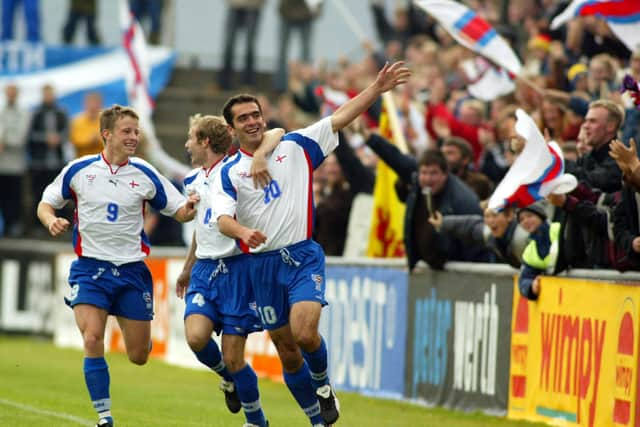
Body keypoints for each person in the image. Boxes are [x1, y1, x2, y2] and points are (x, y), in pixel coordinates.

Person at [215, 61, 411, 426]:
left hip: (302, 255)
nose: (253, 121)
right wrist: (242, 233)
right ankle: (317, 421)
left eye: (256, 114)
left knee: (306, 333)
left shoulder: (296, 145)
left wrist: (376, 88)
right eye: (243, 118)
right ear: (232, 128)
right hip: (262, 265)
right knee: (288, 354)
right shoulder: (229, 172)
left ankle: (322, 384)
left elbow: (339, 118)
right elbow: (222, 219)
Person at [36, 105, 198, 427]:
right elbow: (45, 202)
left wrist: (191, 206)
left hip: (132, 272)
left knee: (139, 355)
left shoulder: (145, 173)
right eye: (127, 131)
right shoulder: (79, 170)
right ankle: (104, 415)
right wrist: (51, 220)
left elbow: (179, 209)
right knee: (93, 337)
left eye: (136, 132)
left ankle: (138, 330)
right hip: (90, 269)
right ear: (106, 134)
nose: (133, 137)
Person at [176, 114, 283, 427]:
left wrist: (262, 153)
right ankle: (227, 378)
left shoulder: (238, 169)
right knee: (196, 338)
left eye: (191, 138)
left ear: (206, 142)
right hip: (204, 270)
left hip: (238, 271)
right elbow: (202, 227)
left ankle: (256, 420)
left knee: (236, 357)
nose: (186, 144)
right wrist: (187, 267)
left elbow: (276, 132)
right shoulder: (191, 180)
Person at [0, 83, 30, 237]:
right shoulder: (1, 110)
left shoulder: (23, 112)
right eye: (8, 92)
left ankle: (13, 228)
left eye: (13, 92)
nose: (11, 95)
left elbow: (20, 137)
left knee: (14, 198)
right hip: (1, 164)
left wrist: (4, 142)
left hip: (15, 165)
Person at [273, 0, 321, 93]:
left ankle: (306, 87)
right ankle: (280, 88)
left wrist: (317, 8)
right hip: (288, 11)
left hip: (305, 13)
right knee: (283, 52)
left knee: (305, 54)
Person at [218, 0, 265, 90]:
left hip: (254, 5)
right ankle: (223, 82)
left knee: (249, 46)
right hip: (234, 4)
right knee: (229, 44)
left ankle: (248, 82)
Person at [517, 201, 560, 300]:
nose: (525, 221)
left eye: (529, 216)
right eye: (521, 219)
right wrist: (531, 286)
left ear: (541, 216)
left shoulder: (558, 230)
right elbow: (524, 279)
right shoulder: (529, 251)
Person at [70, 92, 103, 158]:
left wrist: (99, 139)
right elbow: (75, 141)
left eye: (95, 103)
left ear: (100, 104)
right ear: (85, 104)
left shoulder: (108, 120)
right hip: (84, 162)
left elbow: (114, 141)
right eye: (90, 103)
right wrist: (90, 140)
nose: (93, 106)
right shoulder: (77, 121)